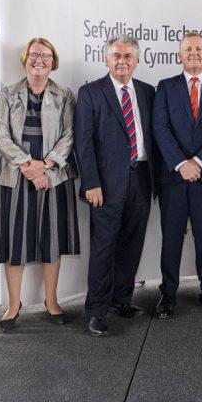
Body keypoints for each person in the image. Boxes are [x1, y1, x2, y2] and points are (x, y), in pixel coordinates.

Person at [0, 37, 80, 332]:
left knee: (52, 240)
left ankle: (52, 302)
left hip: (54, 175)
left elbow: (70, 135)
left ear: (54, 62)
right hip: (14, 176)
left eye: (46, 56)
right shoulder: (7, 94)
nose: (39, 60)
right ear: (25, 59)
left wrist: (47, 165)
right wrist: (29, 166)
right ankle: (14, 305)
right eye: (34, 55)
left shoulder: (65, 95)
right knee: (14, 242)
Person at [75, 34, 156, 337]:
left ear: (137, 60)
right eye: (116, 56)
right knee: (103, 247)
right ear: (106, 59)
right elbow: (83, 144)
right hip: (105, 185)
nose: (122, 61)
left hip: (141, 178)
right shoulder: (90, 93)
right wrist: (91, 183)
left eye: (128, 56)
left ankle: (121, 299)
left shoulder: (148, 92)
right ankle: (96, 310)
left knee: (131, 244)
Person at [152, 32, 202, 318]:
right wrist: (181, 163)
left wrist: (197, 162)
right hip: (173, 178)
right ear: (179, 54)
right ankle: (168, 293)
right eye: (188, 49)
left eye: (199, 48)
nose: (193, 53)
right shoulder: (164, 87)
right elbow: (160, 129)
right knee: (171, 237)